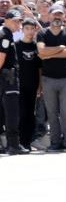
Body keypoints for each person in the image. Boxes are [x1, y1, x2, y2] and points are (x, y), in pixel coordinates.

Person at [37, 5, 66, 151]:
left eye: (60, 15)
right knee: (52, 113)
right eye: (55, 15)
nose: (57, 17)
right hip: (48, 79)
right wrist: (60, 47)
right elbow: (41, 51)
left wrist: (50, 54)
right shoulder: (42, 33)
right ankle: (55, 143)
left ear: (64, 17)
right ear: (50, 16)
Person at [0, 10, 27, 155]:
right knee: (12, 113)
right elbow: (1, 57)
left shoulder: (6, 34)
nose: (18, 24)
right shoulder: (5, 35)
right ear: (7, 20)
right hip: (8, 79)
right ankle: (13, 145)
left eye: (19, 21)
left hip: (6, 78)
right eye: (15, 21)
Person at [15, 18, 42, 151]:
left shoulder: (37, 47)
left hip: (33, 85)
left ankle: (27, 142)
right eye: (27, 28)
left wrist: (40, 86)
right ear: (22, 29)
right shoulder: (16, 45)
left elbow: (40, 69)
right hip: (19, 85)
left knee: (31, 114)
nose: (30, 31)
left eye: (32, 29)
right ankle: (19, 141)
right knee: (21, 113)